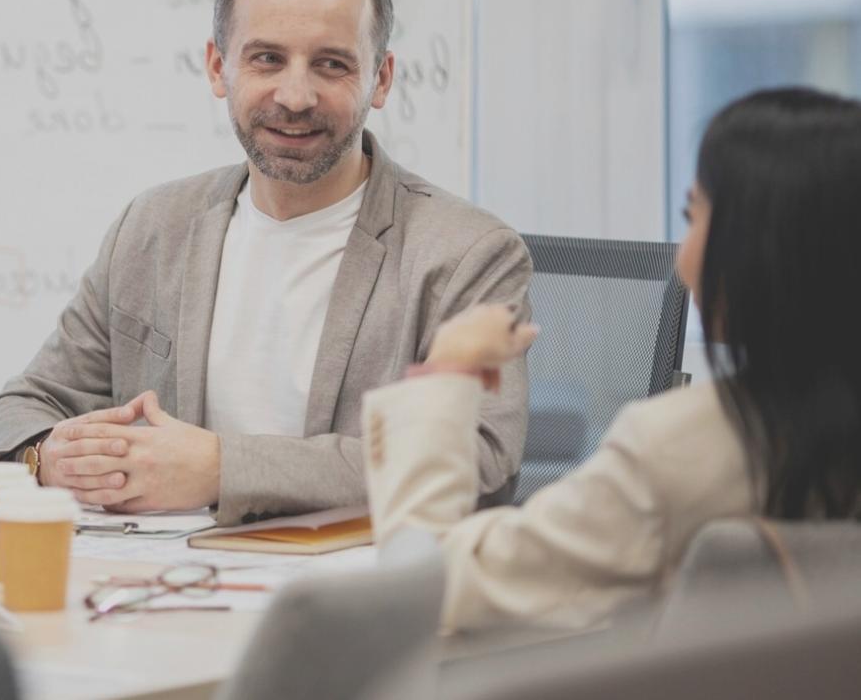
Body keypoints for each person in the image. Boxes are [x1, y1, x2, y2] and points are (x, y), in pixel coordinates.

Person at [0, 0, 532, 526]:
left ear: (381, 80)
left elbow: (475, 460)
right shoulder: (154, 226)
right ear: (220, 67)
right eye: (267, 58)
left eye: (332, 64)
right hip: (158, 583)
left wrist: (222, 468)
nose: (295, 97)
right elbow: (23, 406)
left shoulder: (468, 253)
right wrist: (45, 457)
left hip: (348, 595)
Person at [365, 87, 861, 633]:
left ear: (757, 247)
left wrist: (447, 371)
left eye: (692, 216)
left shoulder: (684, 450)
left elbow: (427, 594)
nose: (683, 251)